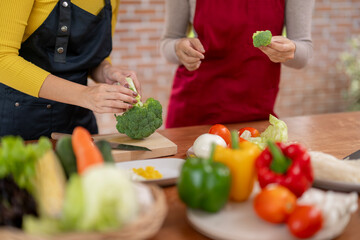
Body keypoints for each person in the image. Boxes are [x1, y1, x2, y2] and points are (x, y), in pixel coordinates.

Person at [0, 0, 141, 140]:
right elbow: (3, 58)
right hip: (21, 125)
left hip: (79, 123)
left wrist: (107, 71)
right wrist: (84, 94)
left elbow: (87, 56)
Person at [161, 0, 314, 128]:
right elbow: (168, 41)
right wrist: (178, 48)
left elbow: (304, 52)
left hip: (255, 114)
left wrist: (290, 50)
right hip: (194, 114)